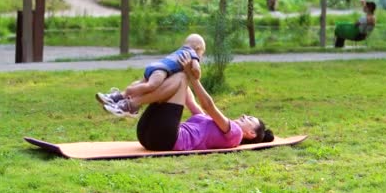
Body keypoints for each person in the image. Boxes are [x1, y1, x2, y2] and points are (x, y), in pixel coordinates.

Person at [106, 53, 274, 151]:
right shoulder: (213, 125)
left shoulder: (235, 134)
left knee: (181, 77)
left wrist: (192, 78)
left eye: (250, 119)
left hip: (165, 139)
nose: (245, 115)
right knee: (178, 76)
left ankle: (132, 102)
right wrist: (184, 70)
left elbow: (209, 106)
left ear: (250, 134)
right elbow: (192, 103)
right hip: (148, 134)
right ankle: (130, 102)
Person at [96, 34, 206, 117]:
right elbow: (196, 69)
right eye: (202, 54)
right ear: (197, 48)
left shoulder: (179, 51)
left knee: (142, 83)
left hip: (155, 66)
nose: (201, 57)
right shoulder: (192, 52)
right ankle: (128, 97)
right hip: (161, 70)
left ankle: (116, 97)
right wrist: (196, 75)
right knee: (151, 85)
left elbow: (191, 104)